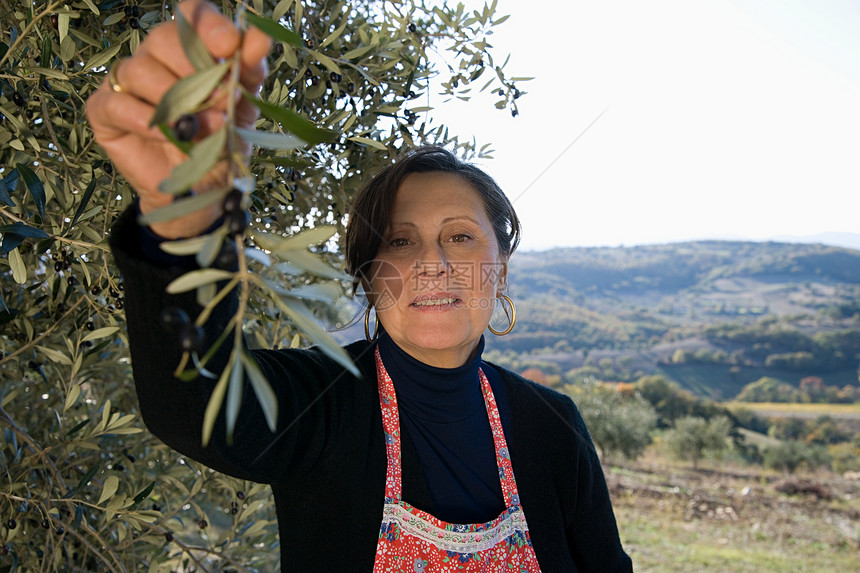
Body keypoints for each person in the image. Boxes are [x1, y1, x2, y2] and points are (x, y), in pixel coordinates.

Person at [86, 1, 633, 570]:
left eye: (461, 237)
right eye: (399, 242)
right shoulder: (320, 403)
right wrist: (185, 219)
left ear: (502, 263)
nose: (432, 263)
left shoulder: (553, 424)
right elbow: (192, 402)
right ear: (369, 276)